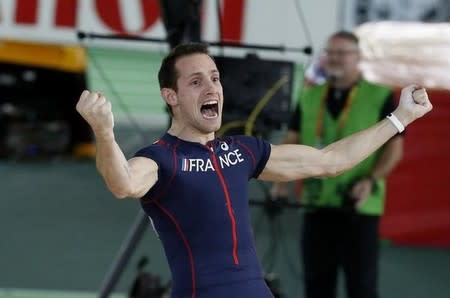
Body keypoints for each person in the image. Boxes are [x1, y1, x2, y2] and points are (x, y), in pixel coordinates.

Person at [75, 42, 432, 298]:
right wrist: (104, 132)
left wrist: (400, 118)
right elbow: (122, 183)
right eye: (196, 81)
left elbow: (330, 161)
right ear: (171, 96)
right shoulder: (160, 159)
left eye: (214, 78)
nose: (211, 87)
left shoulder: (242, 150)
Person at [271, 31, 404, 298]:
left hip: (359, 207)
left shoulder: (379, 96)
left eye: (342, 53)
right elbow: (292, 140)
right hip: (316, 204)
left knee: (362, 287)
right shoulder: (310, 96)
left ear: (358, 58)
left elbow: (394, 150)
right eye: (330, 53)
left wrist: (371, 180)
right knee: (317, 286)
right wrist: (279, 181)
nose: (334, 59)